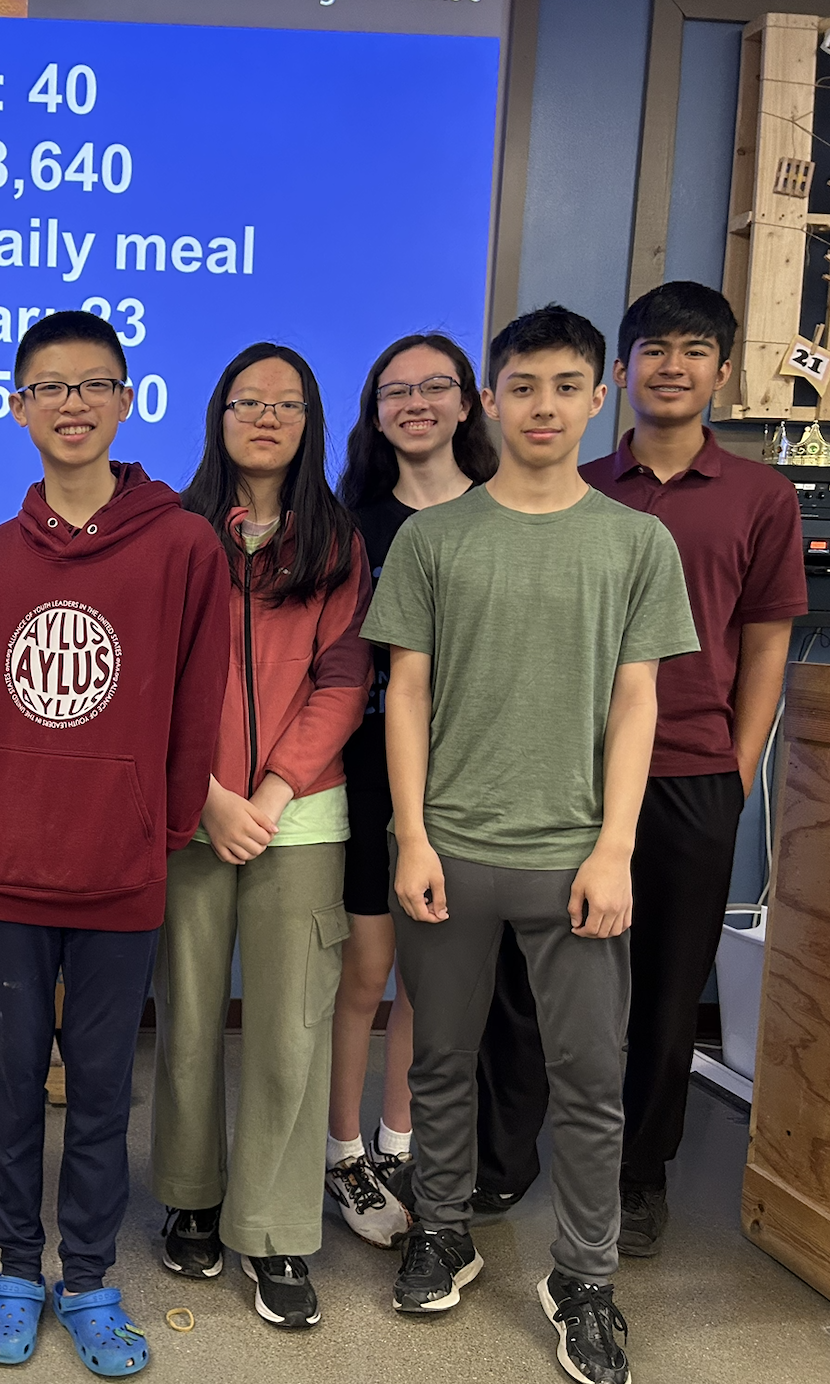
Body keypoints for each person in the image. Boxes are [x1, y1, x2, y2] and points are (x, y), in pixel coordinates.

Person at [362, 305, 698, 1384]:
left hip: (577, 858)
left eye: (564, 386)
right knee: (440, 1061)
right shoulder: (433, 539)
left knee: (589, 1078)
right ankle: (442, 1229)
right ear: (489, 401)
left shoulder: (636, 542)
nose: (542, 406)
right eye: (522, 386)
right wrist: (412, 836)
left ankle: (584, 1280)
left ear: (598, 396)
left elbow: (637, 702)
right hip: (450, 848)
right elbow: (404, 694)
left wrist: (615, 848)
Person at [472, 283, 806, 1254]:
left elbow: (766, 642)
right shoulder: (574, 482)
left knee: (664, 989)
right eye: (654, 349)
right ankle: (502, 1160)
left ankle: (638, 1174)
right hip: (559, 770)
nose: (672, 366)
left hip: (691, 773)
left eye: (695, 351)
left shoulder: (761, 497)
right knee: (525, 980)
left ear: (722, 371)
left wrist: (735, 769)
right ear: (619, 374)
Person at [0, 311, 229, 1377]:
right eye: (49, 387)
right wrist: (0, 813)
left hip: (123, 869)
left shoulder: (184, 546)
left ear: (125, 400)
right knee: (14, 1084)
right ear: (18, 406)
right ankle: (14, 1269)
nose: (71, 404)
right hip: (14, 869)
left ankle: (88, 1278)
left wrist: (161, 830)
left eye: (92, 385)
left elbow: (197, 706)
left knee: (106, 1090)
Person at [151, 343, 371, 1331]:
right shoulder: (174, 531)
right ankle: (191, 1199)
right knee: (190, 1017)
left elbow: (343, 678)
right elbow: (154, 678)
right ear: (219, 415)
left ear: (310, 420)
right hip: (191, 815)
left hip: (300, 819)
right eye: (248, 401)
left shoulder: (337, 541)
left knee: (289, 1031)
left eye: (286, 403)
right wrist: (206, 796)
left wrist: (273, 793)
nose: (266, 417)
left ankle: (276, 1230)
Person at [326, 334, 497, 1247]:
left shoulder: (504, 513)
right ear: (375, 410)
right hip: (363, 769)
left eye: (436, 386)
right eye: (396, 390)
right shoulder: (348, 525)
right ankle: (344, 1152)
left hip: (469, 773)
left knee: (430, 977)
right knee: (366, 969)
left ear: (468, 403)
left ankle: (399, 1144)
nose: (417, 403)